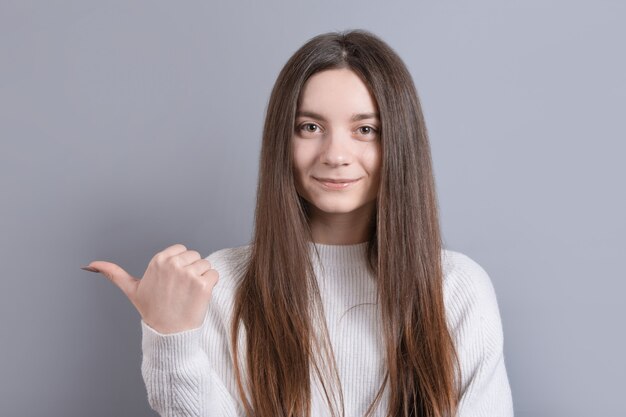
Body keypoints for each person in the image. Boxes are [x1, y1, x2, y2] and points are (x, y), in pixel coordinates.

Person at [82, 29, 514, 417]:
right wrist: (170, 337)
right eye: (310, 127)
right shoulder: (222, 284)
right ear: (281, 142)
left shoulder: (457, 289)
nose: (335, 154)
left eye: (365, 130)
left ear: (399, 143)